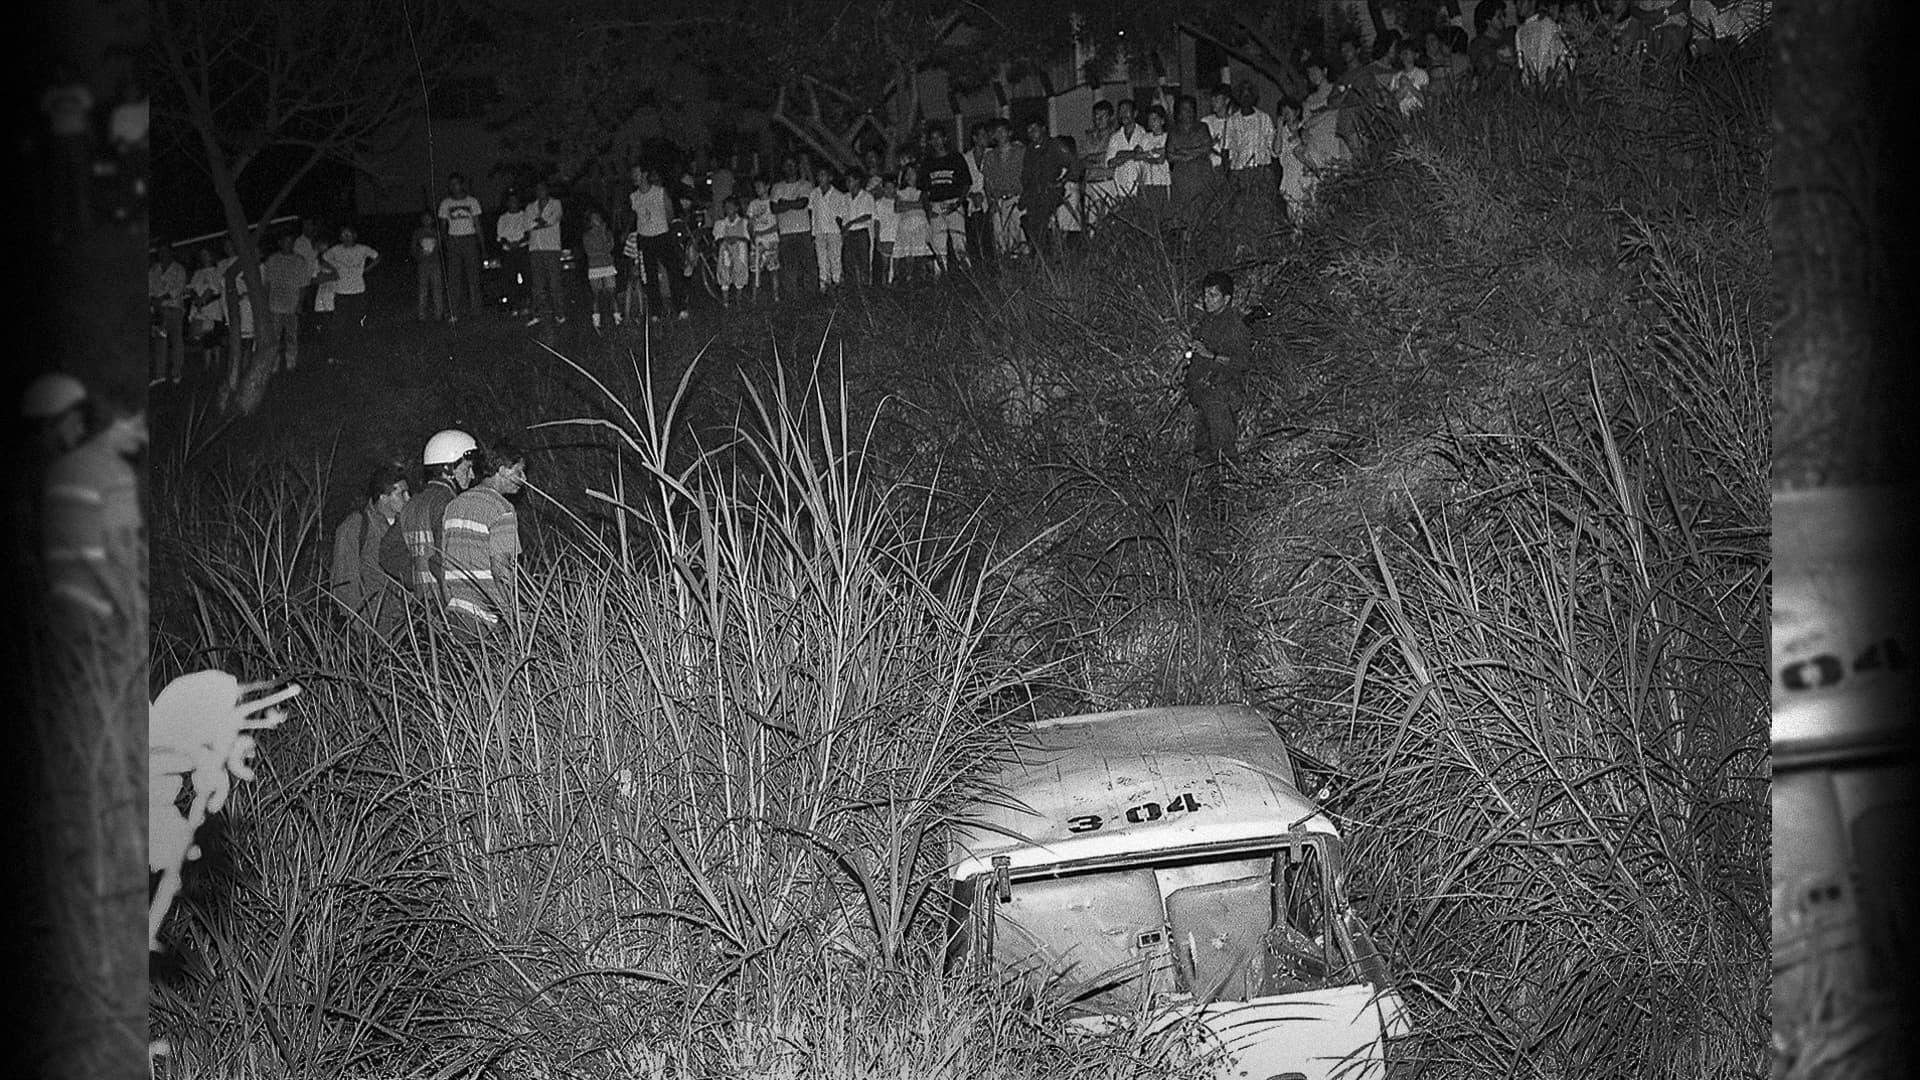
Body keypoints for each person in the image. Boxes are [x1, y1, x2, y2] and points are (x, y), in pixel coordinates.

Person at [24, 378, 146, 621]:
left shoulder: (60, 469)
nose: (144, 438)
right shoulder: (111, 475)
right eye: (137, 426)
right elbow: (118, 558)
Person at [441, 439, 528, 635]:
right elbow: (501, 569)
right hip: (485, 614)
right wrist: (514, 616)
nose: (523, 478)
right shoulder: (502, 509)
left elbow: (443, 559)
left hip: (456, 611)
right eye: (519, 471)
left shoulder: (455, 504)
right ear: (503, 470)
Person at [398, 428, 478, 607]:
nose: (472, 475)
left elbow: (389, 553)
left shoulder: (412, 504)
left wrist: (418, 576)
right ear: (447, 469)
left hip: (424, 606)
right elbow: (442, 561)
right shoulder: (449, 503)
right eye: (467, 468)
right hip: (448, 605)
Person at [329, 461, 411, 626]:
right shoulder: (355, 527)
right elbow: (343, 582)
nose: (408, 498)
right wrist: (360, 628)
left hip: (404, 627)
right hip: (371, 626)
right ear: (383, 497)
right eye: (402, 493)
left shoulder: (408, 525)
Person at [1184, 270, 1252, 466]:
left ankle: (1234, 489)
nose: (1208, 300)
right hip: (1202, 395)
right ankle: (1210, 492)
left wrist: (1210, 355)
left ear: (1227, 298)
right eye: (1206, 295)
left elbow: (1241, 363)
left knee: (1224, 452)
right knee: (1204, 452)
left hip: (1221, 396)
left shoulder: (1235, 326)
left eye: (1213, 295)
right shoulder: (1207, 322)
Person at [629, 166, 687, 320]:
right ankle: (656, 310)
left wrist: (662, 227)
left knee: (673, 271)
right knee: (650, 274)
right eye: (632, 174)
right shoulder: (634, 197)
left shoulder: (659, 192)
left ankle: (680, 307)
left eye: (637, 173)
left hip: (662, 235)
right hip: (645, 238)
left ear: (644, 174)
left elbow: (670, 213)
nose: (634, 177)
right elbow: (636, 217)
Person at [1222, 83, 1278, 231]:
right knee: (1241, 212)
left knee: (1262, 210)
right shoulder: (1232, 121)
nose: (1246, 98)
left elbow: (1272, 147)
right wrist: (1228, 174)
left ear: (1254, 98)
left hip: (1260, 170)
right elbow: (1226, 149)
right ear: (1238, 98)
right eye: (1243, 95)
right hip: (1240, 172)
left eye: (1249, 95)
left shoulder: (1264, 118)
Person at [321, 224, 379, 364]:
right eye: (343, 235)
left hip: (358, 291)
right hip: (342, 292)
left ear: (354, 236)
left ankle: (358, 353)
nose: (346, 238)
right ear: (340, 237)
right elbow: (323, 259)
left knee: (357, 322)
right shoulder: (335, 250)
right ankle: (337, 354)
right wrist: (334, 270)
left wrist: (365, 270)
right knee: (339, 325)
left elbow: (377, 257)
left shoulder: (362, 249)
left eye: (349, 234)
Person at [920, 127, 972, 276]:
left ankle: (967, 276)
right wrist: (928, 210)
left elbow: (966, 183)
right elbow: (923, 190)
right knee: (938, 245)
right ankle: (940, 278)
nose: (936, 142)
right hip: (935, 205)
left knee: (959, 242)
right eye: (933, 139)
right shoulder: (928, 162)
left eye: (938, 138)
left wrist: (957, 204)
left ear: (945, 138)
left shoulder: (956, 158)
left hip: (954, 204)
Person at [1018, 120, 1072, 257]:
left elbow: (1073, 165)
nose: (1031, 133)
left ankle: (1045, 259)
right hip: (1033, 197)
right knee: (1030, 226)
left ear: (1043, 128)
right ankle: (1039, 259)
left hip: (1050, 195)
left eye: (1034, 129)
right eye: (1028, 130)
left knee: (1043, 229)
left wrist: (1061, 181)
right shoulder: (1029, 150)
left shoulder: (1055, 145)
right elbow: (1026, 175)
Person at [260, 232, 310, 374]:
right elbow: (267, 284)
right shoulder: (272, 260)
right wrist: (265, 302)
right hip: (275, 304)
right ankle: (273, 364)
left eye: (291, 242)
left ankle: (291, 362)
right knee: (274, 336)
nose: (288, 244)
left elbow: (303, 285)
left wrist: (300, 303)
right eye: (285, 241)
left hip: (292, 304)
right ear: (280, 243)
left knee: (291, 335)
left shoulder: (300, 261)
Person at [437, 173, 485, 321]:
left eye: (456, 183)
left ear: (461, 184)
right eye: (451, 184)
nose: (453, 187)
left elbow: (477, 225)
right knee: (454, 278)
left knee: (473, 277)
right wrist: (446, 244)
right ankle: (453, 312)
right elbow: (443, 226)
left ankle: (477, 311)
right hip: (453, 240)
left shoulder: (472, 201)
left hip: (469, 240)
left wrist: (482, 246)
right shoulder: (446, 203)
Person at [1166, 96, 1216, 226]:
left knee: (1203, 214)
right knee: (1184, 216)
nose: (1188, 113)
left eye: (1191, 109)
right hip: (1182, 179)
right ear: (1178, 113)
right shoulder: (1173, 131)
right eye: (1184, 109)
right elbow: (1170, 155)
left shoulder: (1202, 127)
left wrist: (1186, 153)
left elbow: (1207, 146)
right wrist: (1192, 153)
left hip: (1201, 176)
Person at [980, 120, 1025, 262]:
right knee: (1000, 238)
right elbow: (987, 181)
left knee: (1019, 236)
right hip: (999, 201)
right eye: (996, 132)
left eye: (1002, 131)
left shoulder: (1020, 151)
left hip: (1017, 198)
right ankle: (1005, 268)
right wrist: (991, 202)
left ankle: (1022, 265)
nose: (999, 134)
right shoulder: (990, 156)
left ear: (1009, 133)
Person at [770, 156, 814, 297]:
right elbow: (774, 208)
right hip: (786, 232)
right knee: (789, 267)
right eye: (786, 165)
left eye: (792, 165)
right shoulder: (777, 187)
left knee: (807, 265)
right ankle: (792, 297)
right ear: (782, 168)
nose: (789, 168)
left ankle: (811, 296)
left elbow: (803, 203)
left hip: (803, 230)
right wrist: (792, 203)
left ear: (797, 167)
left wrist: (784, 203)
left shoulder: (805, 185)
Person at [524, 180, 565, 325]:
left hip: (552, 248)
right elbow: (527, 225)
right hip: (535, 248)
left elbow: (552, 220)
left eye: (542, 188)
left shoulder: (556, 204)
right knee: (537, 284)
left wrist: (539, 222)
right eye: (537, 189)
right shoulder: (530, 207)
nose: (540, 191)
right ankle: (538, 314)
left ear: (547, 190)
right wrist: (540, 222)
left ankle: (559, 313)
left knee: (554, 282)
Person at [148, 243, 187, 386]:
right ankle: (160, 374)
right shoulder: (153, 270)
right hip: (159, 311)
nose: (162, 254)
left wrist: (162, 298)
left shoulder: (179, 269)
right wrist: (153, 300)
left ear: (171, 252)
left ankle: (176, 372)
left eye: (165, 251)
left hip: (174, 309)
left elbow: (178, 288)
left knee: (176, 341)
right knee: (160, 342)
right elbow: (149, 287)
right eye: (160, 252)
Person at [1104, 99, 1152, 210]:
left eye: (1126, 111)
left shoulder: (1144, 134)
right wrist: (1133, 154)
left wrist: (1121, 155)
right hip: (1121, 190)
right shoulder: (1115, 137)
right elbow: (1110, 162)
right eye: (1121, 111)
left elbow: (1146, 156)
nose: (1123, 114)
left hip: (1141, 189)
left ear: (1135, 113)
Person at [186, 246, 227, 374]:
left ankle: (217, 363)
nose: (204, 257)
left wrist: (203, 300)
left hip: (213, 310)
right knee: (205, 339)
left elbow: (214, 288)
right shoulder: (198, 273)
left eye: (206, 254)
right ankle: (207, 364)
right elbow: (191, 288)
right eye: (202, 255)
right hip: (200, 311)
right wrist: (197, 300)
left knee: (214, 338)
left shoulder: (216, 270)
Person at [1080, 100, 1118, 229]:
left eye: (1103, 116)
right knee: (1092, 225)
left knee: (1109, 224)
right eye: (1096, 116)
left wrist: (1093, 159)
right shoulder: (1088, 136)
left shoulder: (1116, 136)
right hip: (1090, 184)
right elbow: (1082, 161)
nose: (1099, 119)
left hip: (1107, 183)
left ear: (1111, 117)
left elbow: (1109, 160)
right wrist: (1098, 159)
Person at [808, 165, 846, 291]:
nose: (821, 178)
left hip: (834, 232)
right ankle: (824, 287)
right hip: (819, 232)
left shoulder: (838, 195)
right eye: (819, 175)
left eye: (824, 175)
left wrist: (840, 232)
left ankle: (837, 286)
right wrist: (813, 233)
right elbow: (812, 213)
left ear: (830, 177)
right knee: (822, 261)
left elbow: (841, 216)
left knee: (835, 259)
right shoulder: (814, 193)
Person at [1515, 0, 1570, 87]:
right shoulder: (1555, 29)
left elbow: (1521, 65)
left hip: (1531, 86)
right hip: (1548, 87)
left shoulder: (1521, 30)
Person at [494, 187, 531, 317]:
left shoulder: (525, 215)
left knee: (526, 278)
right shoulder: (503, 218)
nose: (513, 203)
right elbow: (500, 236)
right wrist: (509, 244)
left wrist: (519, 243)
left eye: (515, 201)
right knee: (510, 279)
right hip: (509, 252)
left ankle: (526, 305)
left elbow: (528, 233)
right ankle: (514, 306)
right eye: (510, 201)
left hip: (522, 250)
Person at [891, 163, 930, 285]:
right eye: (906, 174)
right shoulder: (900, 192)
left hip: (919, 224)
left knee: (920, 253)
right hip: (905, 225)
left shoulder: (922, 191)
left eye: (912, 173)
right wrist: (913, 205)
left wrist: (907, 205)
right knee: (907, 254)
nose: (908, 176)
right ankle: (907, 279)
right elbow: (897, 207)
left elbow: (923, 205)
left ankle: (921, 280)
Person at [711, 195, 752, 306]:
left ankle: (738, 301)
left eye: (730, 206)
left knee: (739, 273)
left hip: (740, 251)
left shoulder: (744, 222)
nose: (728, 209)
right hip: (726, 252)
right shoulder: (720, 224)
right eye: (726, 207)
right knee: (725, 274)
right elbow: (717, 239)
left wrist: (736, 239)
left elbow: (748, 238)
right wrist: (726, 240)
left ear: (736, 208)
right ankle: (726, 302)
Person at [583, 207, 619, 328]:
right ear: (590, 221)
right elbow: (590, 252)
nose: (597, 220)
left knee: (612, 293)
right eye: (594, 218)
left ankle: (617, 318)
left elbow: (610, 247)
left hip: (608, 265)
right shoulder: (587, 235)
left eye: (598, 217)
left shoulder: (607, 232)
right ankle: (596, 321)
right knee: (596, 295)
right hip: (594, 267)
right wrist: (602, 250)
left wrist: (603, 234)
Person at [746, 175, 781, 302]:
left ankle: (776, 296)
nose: (757, 189)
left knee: (773, 269)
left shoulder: (773, 202)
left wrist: (763, 232)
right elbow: (749, 223)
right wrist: (752, 236)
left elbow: (777, 224)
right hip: (756, 242)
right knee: (755, 270)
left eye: (760, 186)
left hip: (771, 240)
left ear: (767, 186)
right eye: (756, 187)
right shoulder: (753, 204)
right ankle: (754, 298)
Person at [962, 123, 991, 270]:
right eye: (982, 136)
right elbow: (961, 183)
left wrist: (985, 195)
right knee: (975, 235)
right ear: (975, 138)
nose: (986, 139)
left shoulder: (991, 154)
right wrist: (971, 194)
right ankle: (978, 266)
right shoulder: (965, 158)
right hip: (971, 201)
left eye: (987, 136)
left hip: (990, 199)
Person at [410, 210, 445, 323]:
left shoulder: (436, 232)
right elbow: (413, 248)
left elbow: (440, 247)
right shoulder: (418, 233)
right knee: (423, 290)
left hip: (435, 263)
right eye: (424, 218)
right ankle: (421, 315)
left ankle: (439, 314)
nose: (426, 220)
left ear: (433, 220)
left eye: (429, 218)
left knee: (437, 289)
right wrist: (420, 254)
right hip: (423, 264)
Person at [1138, 105, 1172, 220]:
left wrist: (1147, 155)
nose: (1152, 123)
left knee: (1164, 215)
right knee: (1148, 216)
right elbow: (1137, 155)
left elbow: (1161, 159)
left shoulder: (1168, 137)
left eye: (1155, 119)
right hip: (1147, 182)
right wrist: (1152, 154)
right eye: (1150, 120)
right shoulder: (1145, 138)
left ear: (1162, 121)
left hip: (1162, 182)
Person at [842, 175, 874, 287]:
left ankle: (865, 287)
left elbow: (868, 215)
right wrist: (842, 228)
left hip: (861, 232)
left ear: (857, 180)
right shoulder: (845, 197)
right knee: (848, 262)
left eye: (850, 180)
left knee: (863, 261)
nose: (847, 183)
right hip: (848, 233)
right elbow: (839, 215)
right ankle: (852, 288)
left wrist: (851, 223)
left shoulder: (867, 196)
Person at [869, 175, 898, 285]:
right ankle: (884, 287)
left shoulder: (899, 201)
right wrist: (878, 239)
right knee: (884, 267)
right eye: (886, 188)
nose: (889, 190)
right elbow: (876, 222)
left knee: (895, 268)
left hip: (897, 237)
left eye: (891, 187)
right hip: (885, 237)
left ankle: (894, 287)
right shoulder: (878, 203)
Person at [1389, 41, 1431, 116]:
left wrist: (1409, 85)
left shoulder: (1422, 74)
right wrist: (1402, 88)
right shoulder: (1396, 77)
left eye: (1407, 53)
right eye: (1402, 53)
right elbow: (1393, 102)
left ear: (1416, 55)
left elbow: (1425, 99)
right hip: (1402, 116)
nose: (1405, 56)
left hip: (1418, 114)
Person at [1201, 85, 1233, 171]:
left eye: (1217, 100)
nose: (1213, 103)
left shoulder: (1235, 121)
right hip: (1211, 168)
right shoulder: (1205, 121)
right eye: (1212, 100)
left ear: (1226, 100)